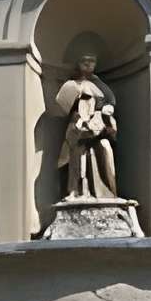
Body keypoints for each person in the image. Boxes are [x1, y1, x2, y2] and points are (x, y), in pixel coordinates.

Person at [55, 54, 121, 201]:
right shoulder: (72, 84)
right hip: (78, 126)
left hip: (98, 127)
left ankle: (106, 193)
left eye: (91, 61)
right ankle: (74, 190)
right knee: (75, 155)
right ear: (78, 63)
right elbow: (63, 107)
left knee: (104, 150)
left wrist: (106, 112)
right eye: (84, 61)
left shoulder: (99, 84)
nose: (87, 64)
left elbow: (109, 100)